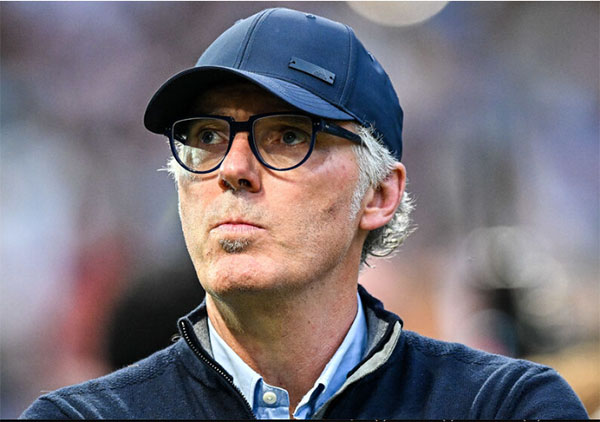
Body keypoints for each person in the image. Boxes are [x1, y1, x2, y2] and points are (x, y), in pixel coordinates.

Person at [21, 7, 588, 420]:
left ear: (379, 195)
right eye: (207, 136)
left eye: (288, 135)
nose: (232, 168)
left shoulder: (505, 406)